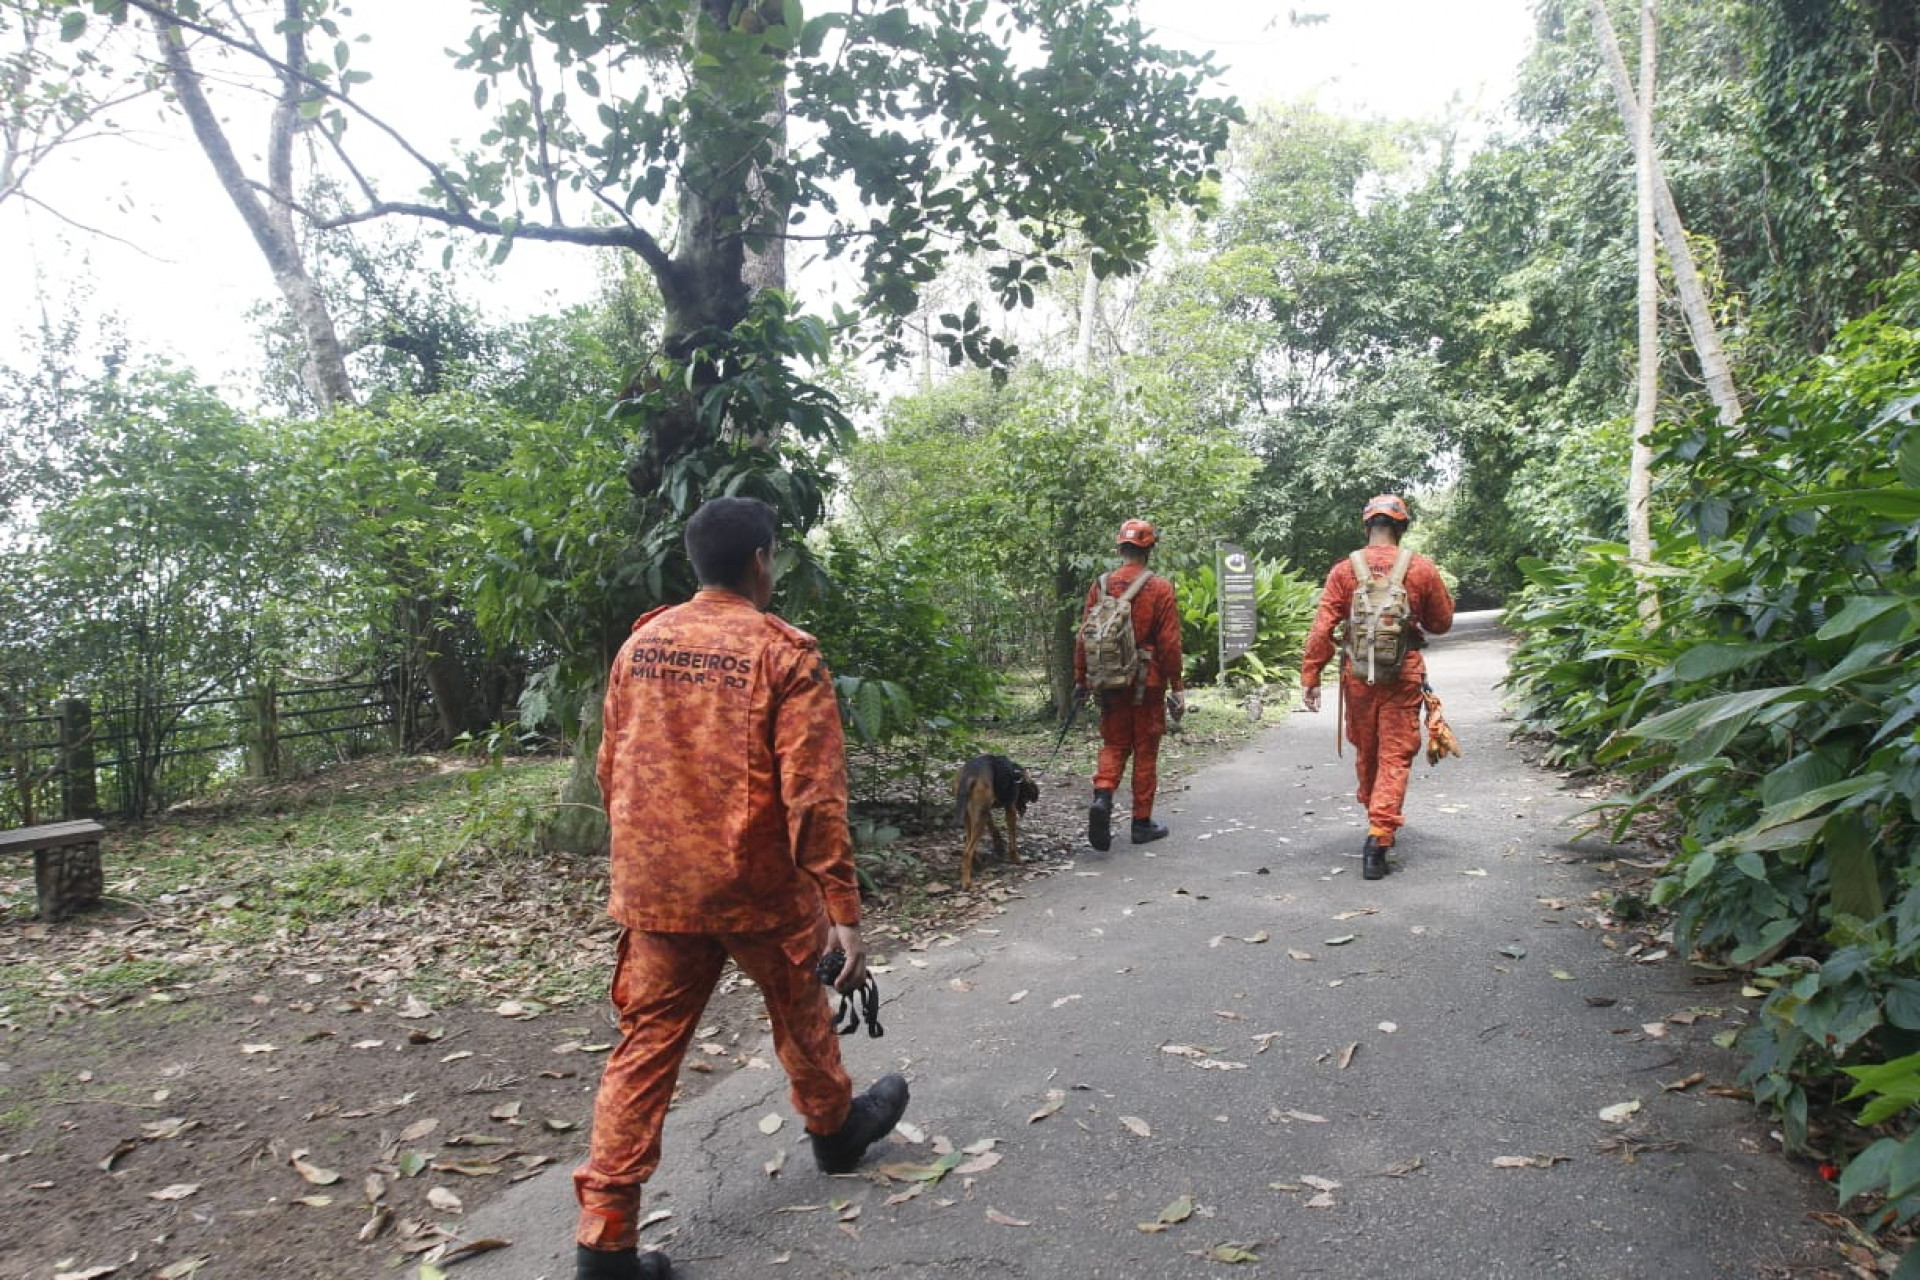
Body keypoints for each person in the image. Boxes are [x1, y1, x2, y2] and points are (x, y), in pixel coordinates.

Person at [573, 497, 909, 1280]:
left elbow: (609, 765)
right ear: (763, 560)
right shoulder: (784, 654)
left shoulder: (640, 648)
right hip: (757, 888)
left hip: (657, 890)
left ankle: (605, 1240)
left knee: (645, 1052)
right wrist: (843, 914)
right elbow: (815, 798)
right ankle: (833, 1131)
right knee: (799, 1008)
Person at [1300, 494, 1455, 880]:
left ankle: (1376, 817)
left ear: (1367, 526)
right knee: (1395, 754)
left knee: (1368, 748)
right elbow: (1441, 623)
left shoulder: (1344, 571)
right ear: (1401, 528)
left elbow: (1322, 628)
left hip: (1358, 675)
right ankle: (1379, 834)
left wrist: (1311, 676)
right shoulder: (1419, 568)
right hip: (1403, 674)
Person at [1074, 518, 1186, 851]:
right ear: (1149, 549)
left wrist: (1081, 679)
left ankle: (1103, 796)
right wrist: (1177, 685)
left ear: (1120, 548)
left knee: (1114, 744)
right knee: (1146, 752)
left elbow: (1084, 636)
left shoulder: (1102, 585)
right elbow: (1169, 643)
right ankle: (1141, 823)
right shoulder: (1159, 588)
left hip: (1109, 683)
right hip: (1148, 683)